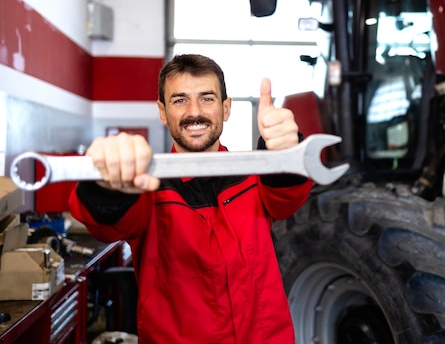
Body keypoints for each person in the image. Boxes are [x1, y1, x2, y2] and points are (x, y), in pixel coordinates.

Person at [68, 54, 313, 343]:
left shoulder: (255, 177)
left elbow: (288, 197)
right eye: (179, 100)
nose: (194, 112)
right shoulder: (147, 189)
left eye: (207, 98)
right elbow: (105, 225)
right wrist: (108, 183)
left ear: (226, 108)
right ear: (162, 111)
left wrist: (285, 151)